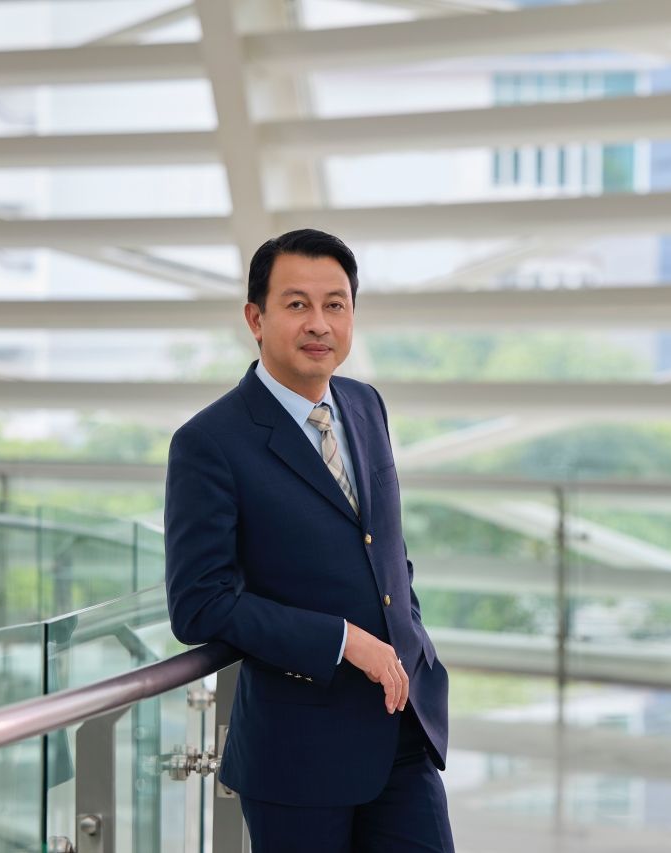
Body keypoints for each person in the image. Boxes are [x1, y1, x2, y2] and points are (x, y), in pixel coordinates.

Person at [163, 228, 454, 852]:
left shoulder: (365, 405)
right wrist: (344, 641)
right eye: (297, 304)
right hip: (299, 754)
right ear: (256, 318)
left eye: (335, 304)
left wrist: (409, 637)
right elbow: (199, 604)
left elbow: (385, 550)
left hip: (403, 727)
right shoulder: (208, 443)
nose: (319, 323)